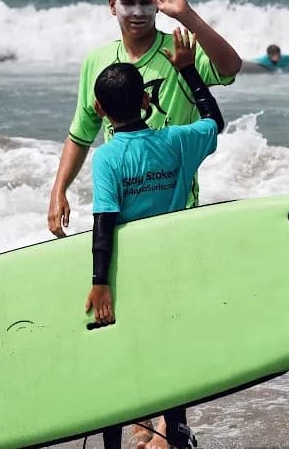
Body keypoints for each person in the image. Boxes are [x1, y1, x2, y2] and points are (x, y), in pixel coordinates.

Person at [85, 28, 224, 449]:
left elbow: (104, 222)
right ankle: (176, 432)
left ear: (100, 110)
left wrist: (99, 282)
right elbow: (214, 121)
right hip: (173, 265)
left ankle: (117, 443)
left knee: (119, 359)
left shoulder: (108, 157)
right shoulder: (178, 142)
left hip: (127, 273)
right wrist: (187, 71)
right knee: (168, 356)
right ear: (147, 100)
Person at [47, 0, 241, 239]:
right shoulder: (96, 61)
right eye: (128, 2)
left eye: (146, 2)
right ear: (112, 5)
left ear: (157, 3)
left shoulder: (180, 49)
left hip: (177, 206)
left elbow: (231, 66)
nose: (137, 12)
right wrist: (58, 190)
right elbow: (81, 133)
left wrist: (185, 15)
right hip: (123, 210)